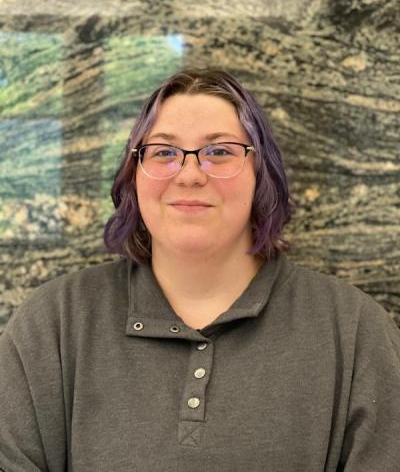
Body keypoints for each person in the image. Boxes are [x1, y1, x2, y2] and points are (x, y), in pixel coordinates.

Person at [0, 68, 399, 472]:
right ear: (133, 176)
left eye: (220, 151)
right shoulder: (53, 325)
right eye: (163, 152)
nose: (190, 174)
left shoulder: (355, 331)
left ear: (262, 173)